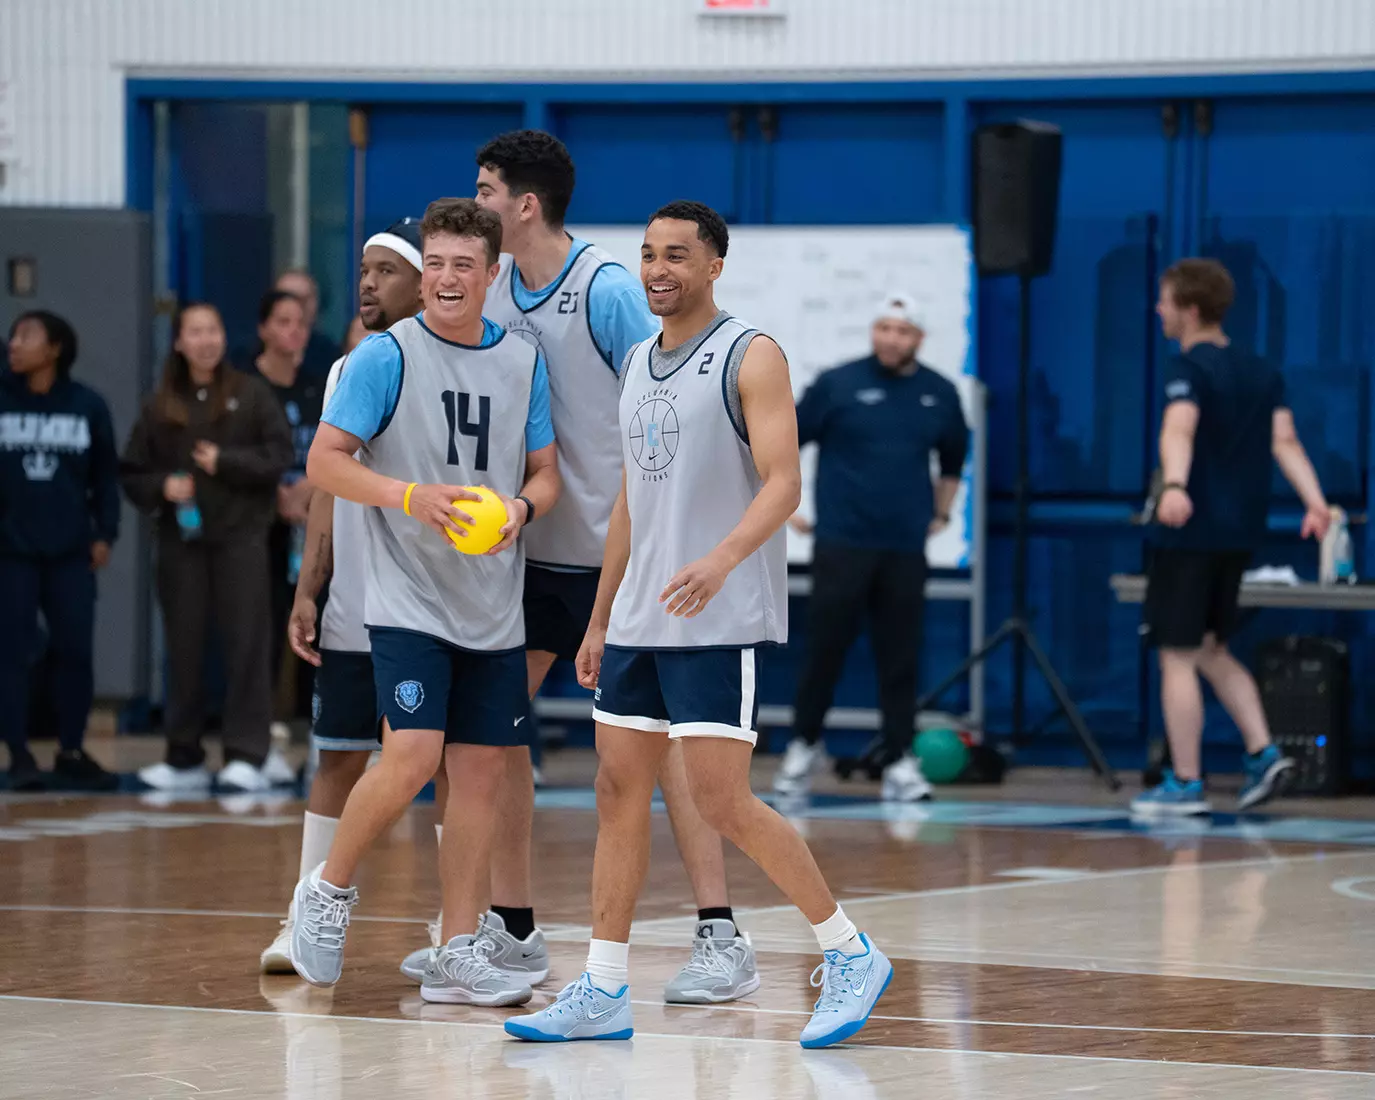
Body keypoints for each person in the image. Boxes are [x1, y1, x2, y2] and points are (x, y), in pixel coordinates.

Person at [506, 201, 892, 1048]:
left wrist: (720, 560)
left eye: (676, 255)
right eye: (647, 254)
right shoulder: (639, 359)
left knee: (721, 801)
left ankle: (849, 950)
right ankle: (603, 986)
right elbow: (627, 510)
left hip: (715, 617)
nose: (657, 269)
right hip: (640, 619)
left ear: (714, 264)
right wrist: (598, 619)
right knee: (616, 792)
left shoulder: (751, 355)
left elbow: (784, 483)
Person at [471, 129, 759, 1004]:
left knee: (667, 751)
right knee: (493, 732)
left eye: (484, 190)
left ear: (524, 204)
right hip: (529, 553)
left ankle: (719, 933)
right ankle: (513, 928)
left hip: (622, 561)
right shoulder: (493, 291)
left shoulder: (603, 290)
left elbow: (670, 405)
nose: (475, 201)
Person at [289, 198, 561, 1009]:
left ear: (491, 273)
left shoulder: (521, 360)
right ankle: (326, 892)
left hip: (491, 604)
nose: (446, 279)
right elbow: (326, 464)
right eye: (435, 264)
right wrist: (408, 497)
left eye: (462, 266)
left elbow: (545, 472)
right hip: (406, 598)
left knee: (478, 774)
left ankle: (455, 944)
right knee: (410, 755)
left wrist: (521, 510)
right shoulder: (384, 357)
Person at [260, 219, 427, 972]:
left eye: (386, 271)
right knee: (336, 758)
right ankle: (301, 920)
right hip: (355, 605)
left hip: (433, 607)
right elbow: (325, 486)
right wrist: (309, 586)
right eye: (363, 269)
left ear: (428, 283)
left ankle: (459, 927)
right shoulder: (344, 368)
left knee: (444, 764)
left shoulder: (458, 364)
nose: (368, 283)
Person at [1132, 258, 1329, 817]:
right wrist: (1315, 501)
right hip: (1239, 531)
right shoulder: (1261, 370)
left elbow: (1179, 427)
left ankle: (1186, 783)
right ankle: (1264, 751)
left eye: (1165, 301)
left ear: (1190, 310)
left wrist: (1173, 484)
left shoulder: (1188, 367)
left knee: (1175, 656)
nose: (1159, 310)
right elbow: (1285, 441)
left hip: (1188, 529)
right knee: (1212, 649)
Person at [774, 296, 969, 802]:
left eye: (901, 331)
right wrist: (782, 508)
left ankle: (900, 758)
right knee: (825, 649)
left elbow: (952, 463)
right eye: (883, 327)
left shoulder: (939, 393)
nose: (890, 339)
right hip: (842, 544)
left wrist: (942, 514)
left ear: (918, 339)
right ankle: (803, 744)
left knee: (900, 655)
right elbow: (781, 441)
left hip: (903, 548)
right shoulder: (838, 385)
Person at [121, 303, 294, 792]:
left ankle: (247, 754)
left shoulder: (250, 393)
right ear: (178, 341)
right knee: (184, 649)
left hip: (241, 540)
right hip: (182, 544)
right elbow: (131, 472)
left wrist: (226, 461)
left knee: (246, 647)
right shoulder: (160, 404)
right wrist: (162, 488)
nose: (205, 340)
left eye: (213, 330)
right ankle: (183, 757)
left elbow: (278, 456)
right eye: (194, 332)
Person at [0, 311, 121, 792]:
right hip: (12, 552)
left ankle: (71, 749)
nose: (14, 343)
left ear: (54, 348)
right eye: (13, 335)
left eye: (26, 335)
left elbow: (104, 477)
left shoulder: (87, 406)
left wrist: (104, 534)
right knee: (12, 654)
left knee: (75, 651)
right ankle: (19, 752)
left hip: (71, 552)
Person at [251, 290, 322, 754]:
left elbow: (334, 450)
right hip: (259, 523)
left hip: (311, 517)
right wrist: (274, 490)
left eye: (300, 322)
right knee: (264, 620)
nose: (293, 331)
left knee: (314, 615)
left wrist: (308, 492)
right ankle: (265, 721)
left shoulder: (318, 385)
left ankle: (309, 718)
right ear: (263, 329)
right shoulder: (246, 388)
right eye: (282, 321)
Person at [275, 268, 343, 379]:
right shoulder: (250, 358)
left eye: (304, 300)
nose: (296, 306)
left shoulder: (331, 356)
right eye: (287, 299)